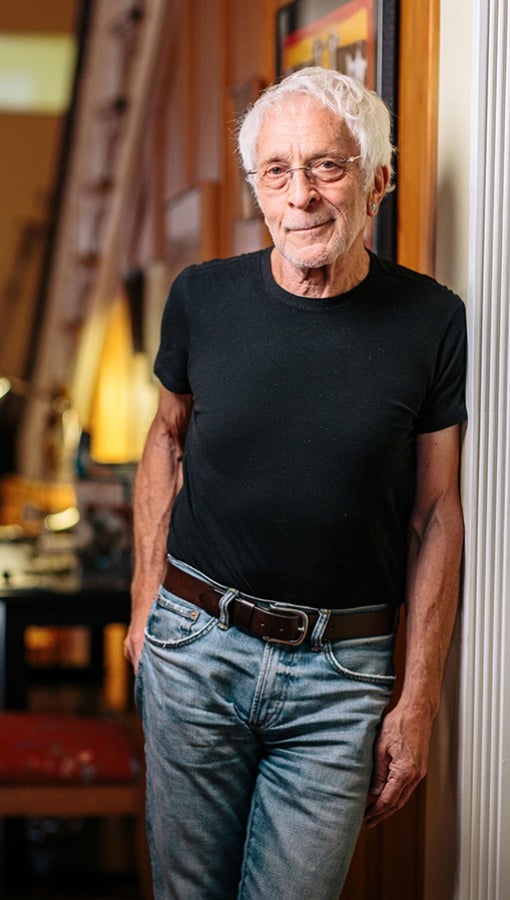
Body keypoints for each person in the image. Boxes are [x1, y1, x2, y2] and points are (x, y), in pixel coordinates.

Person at [124, 66, 467, 900]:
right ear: (257, 189)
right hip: (194, 646)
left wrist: (416, 699)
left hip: (342, 677)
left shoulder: (432, 319)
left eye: (328, 166)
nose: (301, 195)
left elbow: (436, 515)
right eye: (277, 171)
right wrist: (143, 606)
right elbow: (163, 443)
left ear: (377, 182)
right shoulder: (200, 298)